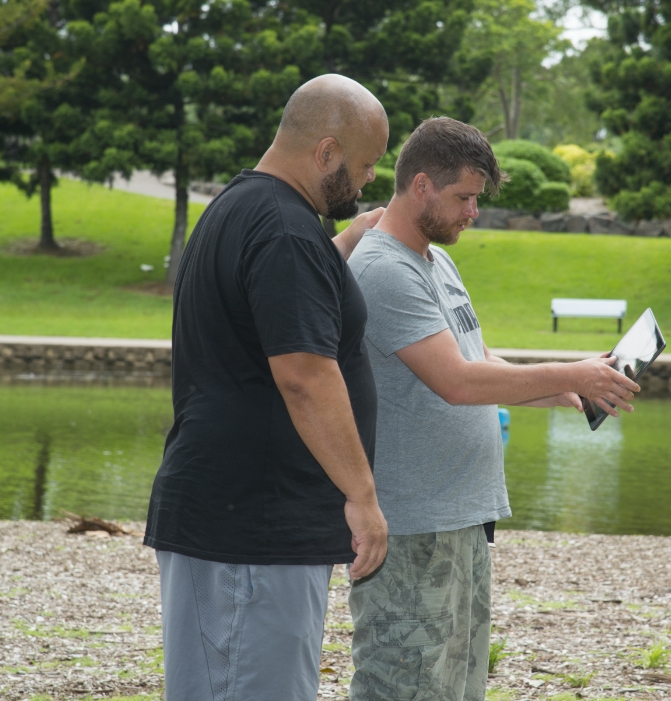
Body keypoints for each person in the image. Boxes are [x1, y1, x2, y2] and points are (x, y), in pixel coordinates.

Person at [346, 117, 640, 701]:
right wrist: (571, 372)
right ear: (422, 185)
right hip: (414, 524)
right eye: (465, 198)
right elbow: (455, 381)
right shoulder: (383, 269)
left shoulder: (435, 260)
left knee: (458, 686)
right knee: (404, 684)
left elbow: (478, 358)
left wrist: (568, 390)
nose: (473, 212)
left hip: (461, 516)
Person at [143, 74, 390, 701]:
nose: (365, 183)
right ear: (327, 152)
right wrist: (362, 498)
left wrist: (344, 241)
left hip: (235, 520)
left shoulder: (247, 210)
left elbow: (274, 302)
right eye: (363, 166)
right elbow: (305, 375)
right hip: (250, 531)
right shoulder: (283, 230)